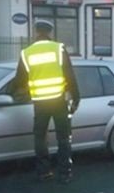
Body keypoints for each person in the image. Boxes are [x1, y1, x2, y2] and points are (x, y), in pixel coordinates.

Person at [12, 19, 80, 183]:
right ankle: (65, 173)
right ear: (50, 32)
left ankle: (44, 172)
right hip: (59, 101)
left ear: (36, 32)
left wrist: (15, 94)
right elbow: (69, 74)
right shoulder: (58, 49)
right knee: (63, 137)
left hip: (40, 103)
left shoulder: (26, 53)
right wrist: (76, 97)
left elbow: (20, 80)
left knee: (40, 137)